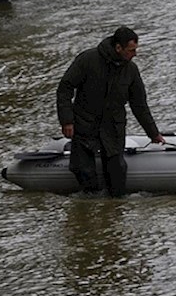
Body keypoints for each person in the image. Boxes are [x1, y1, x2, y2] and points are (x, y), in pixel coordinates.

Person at [57, 26, 165, 197]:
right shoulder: (88, 60)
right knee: (83, 171)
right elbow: (65, 88)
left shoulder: (131, 70)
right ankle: (89, 205)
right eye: (131, 50)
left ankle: (113, 213)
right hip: (85, 124)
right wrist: (67, 121)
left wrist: (153, 133)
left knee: (117, 174)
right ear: (118, 48)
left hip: (113, 127)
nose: (135, 54)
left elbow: (139, 105)